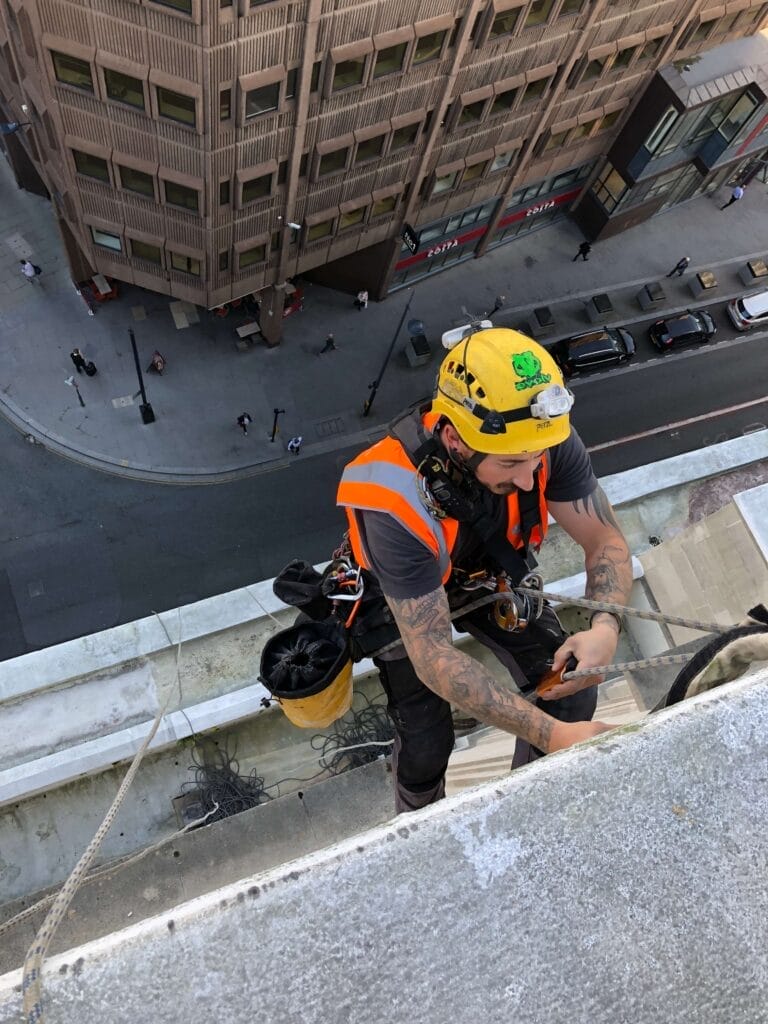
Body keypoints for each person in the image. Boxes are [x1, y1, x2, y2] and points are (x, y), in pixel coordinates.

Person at [337, 328, 632, 813]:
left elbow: (604, 538)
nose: (528, 476)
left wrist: (606, 625)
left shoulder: (540, 436)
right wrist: (552, 736)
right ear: (454, 439)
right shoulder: (393, 500)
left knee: (572, 692)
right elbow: (431, 655)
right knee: (428, 740)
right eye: (512, 463)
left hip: (483, 571)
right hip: (399, 595)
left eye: (536, 459)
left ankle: (529, 805)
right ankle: (419, 819)